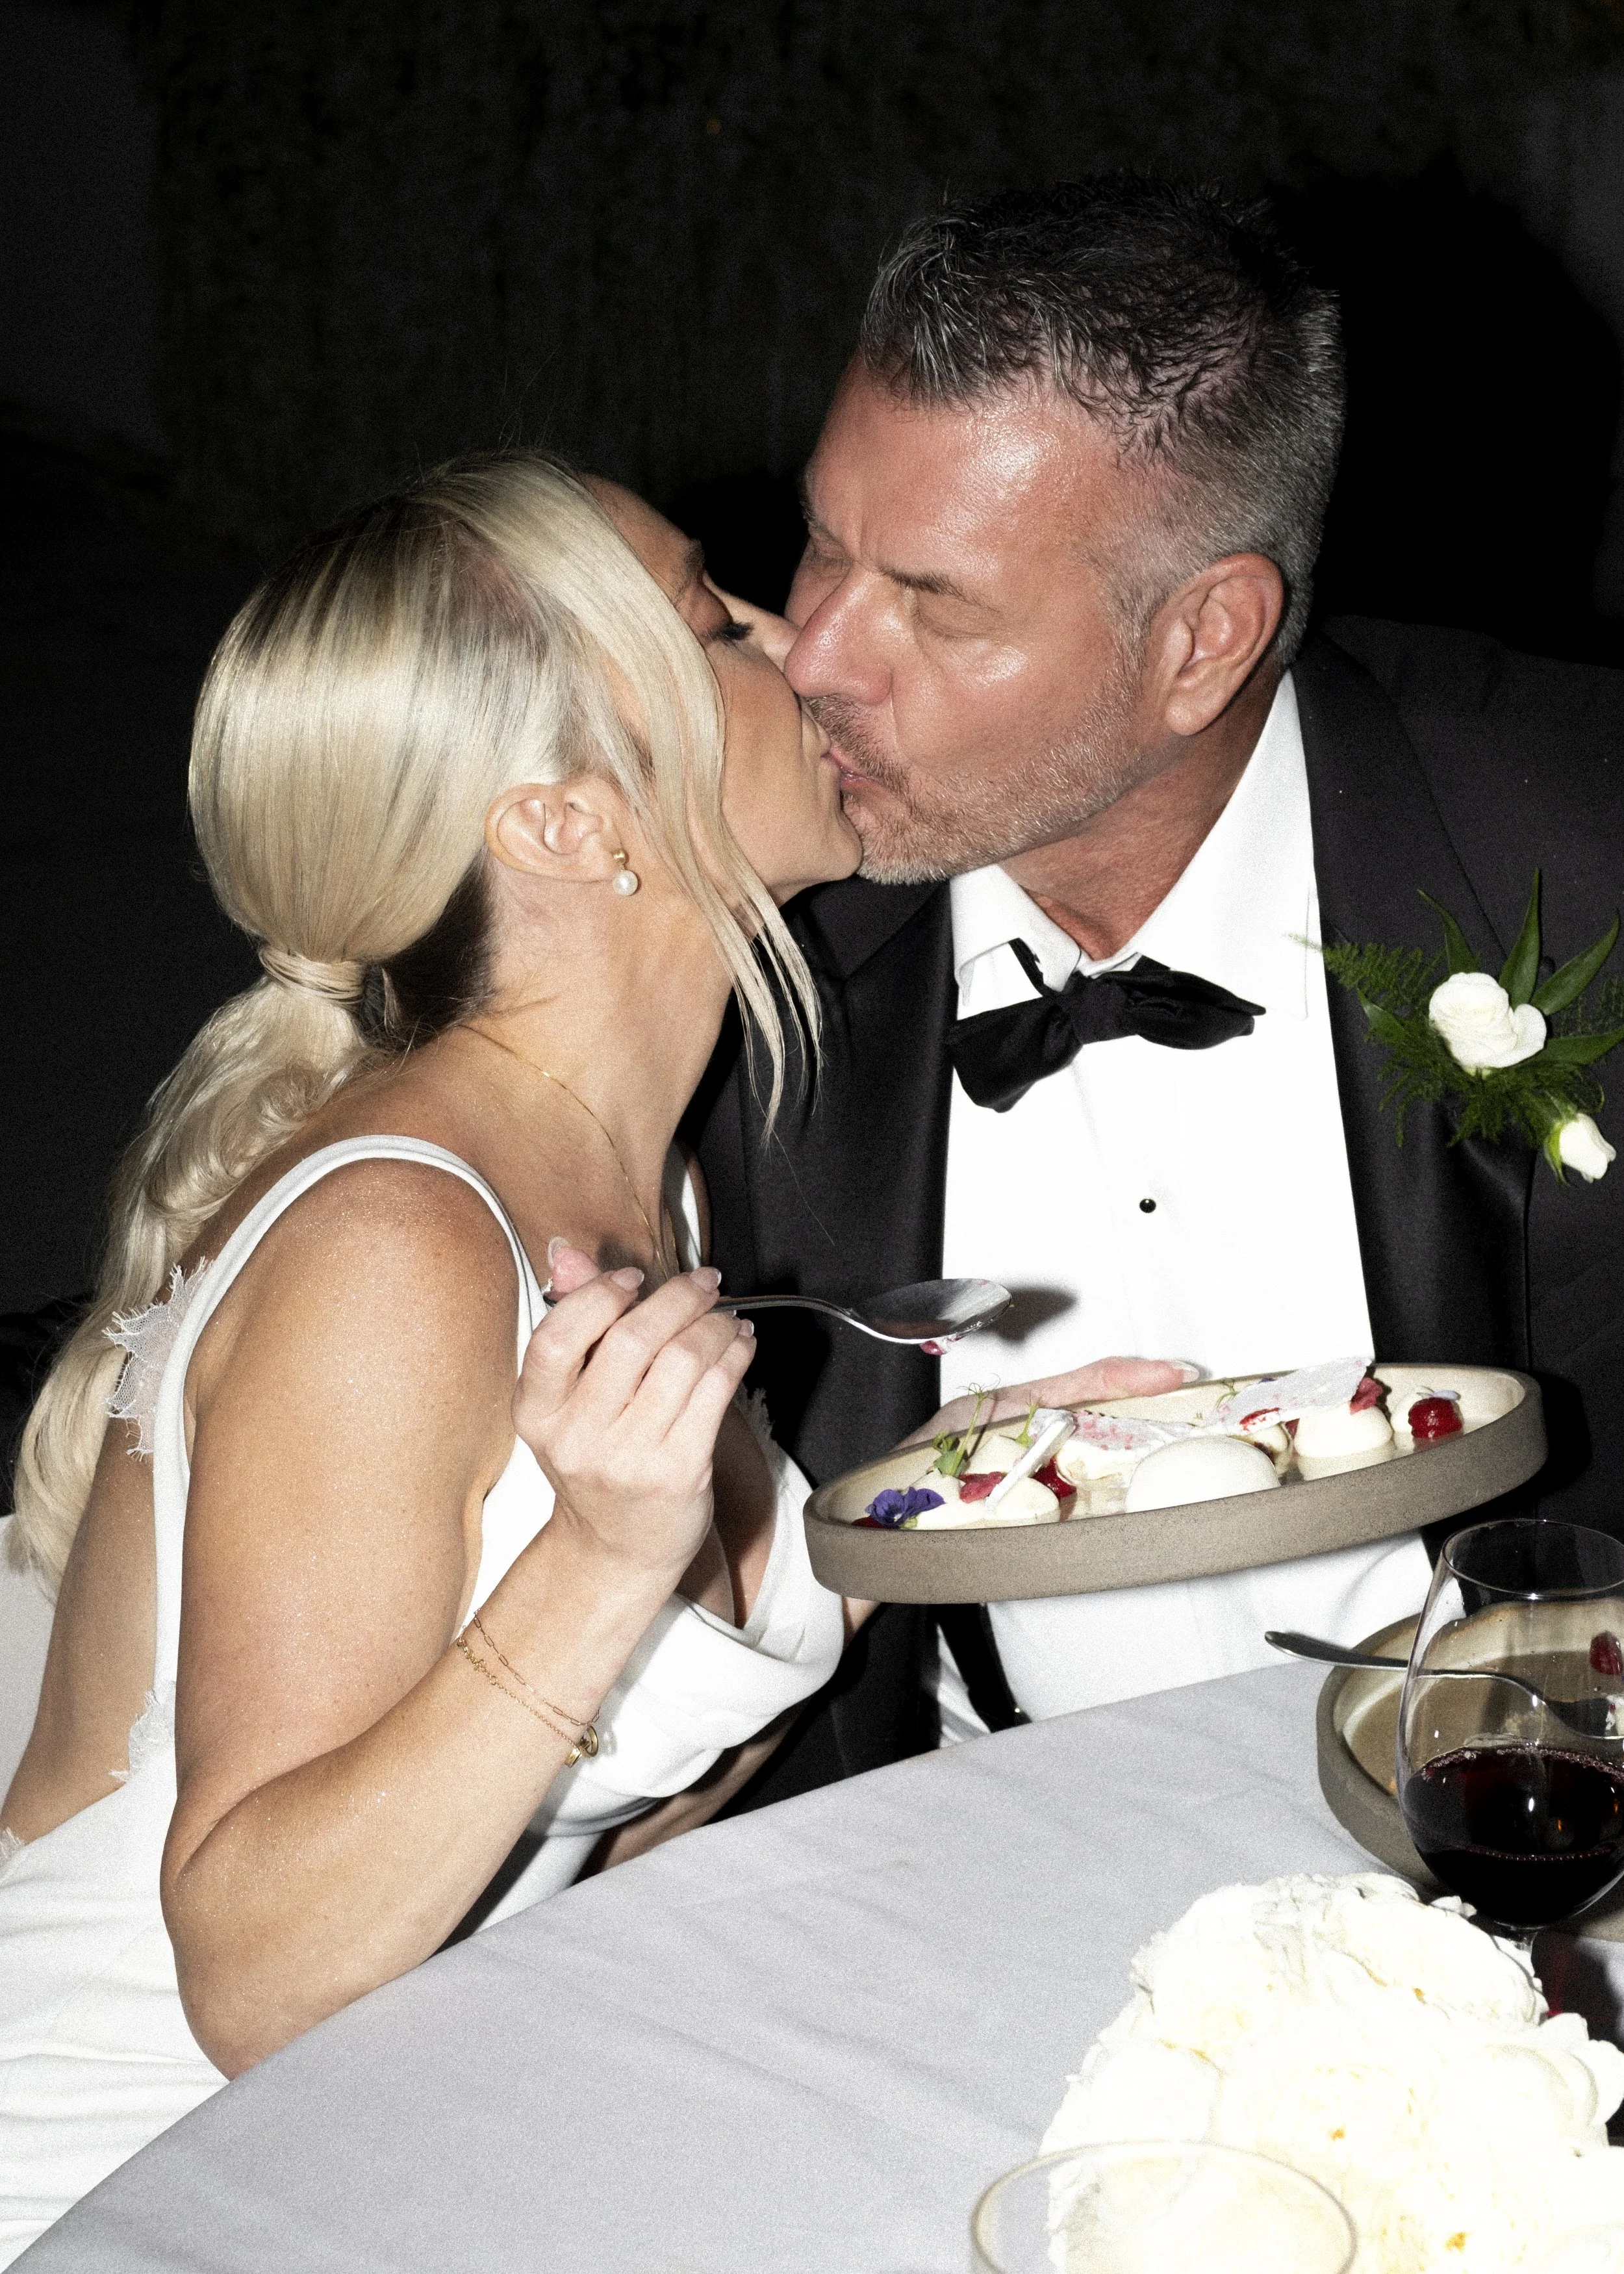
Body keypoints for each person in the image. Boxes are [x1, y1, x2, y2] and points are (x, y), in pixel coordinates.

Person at [0, 452, 1176, 2258]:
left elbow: (564, 1833)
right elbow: (250, 1971)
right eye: (716, 623)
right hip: (130, 2188)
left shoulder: (655, 1174)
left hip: (403, 2131)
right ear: (565, 823)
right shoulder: (394, 1246)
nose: (809, 649)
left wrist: (910, 1510)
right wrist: (604, 1560)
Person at [691, 177, 1624, 1793]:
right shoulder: (733, 936)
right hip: (943, 1839)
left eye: (934, 601)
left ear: (1203, 639)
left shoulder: (1574, 837)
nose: (817, 656)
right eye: (824, 545)